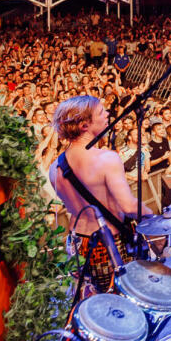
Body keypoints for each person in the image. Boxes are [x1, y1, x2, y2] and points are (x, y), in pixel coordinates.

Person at [47, 95, 154, 294]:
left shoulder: (55, 168)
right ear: (85, 125)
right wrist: (156, 219)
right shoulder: (107, 158)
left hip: (77, 243)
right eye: (101, 112)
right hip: (107, 245)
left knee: (93, 304)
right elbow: (129, 207)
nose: (107, 114)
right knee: (119, 301)